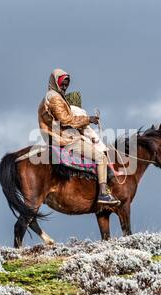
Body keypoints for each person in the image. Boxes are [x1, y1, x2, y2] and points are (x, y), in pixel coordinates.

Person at [38, 68, 120, 206]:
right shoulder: (54, 97)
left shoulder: (53, 96)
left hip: (57, 136)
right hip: (64, 138)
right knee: (101, 157)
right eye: (63, 83)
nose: (65, 86)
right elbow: (65, 120)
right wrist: (88, 119)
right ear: (56, 82)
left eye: (66, 84)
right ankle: (103, 194)